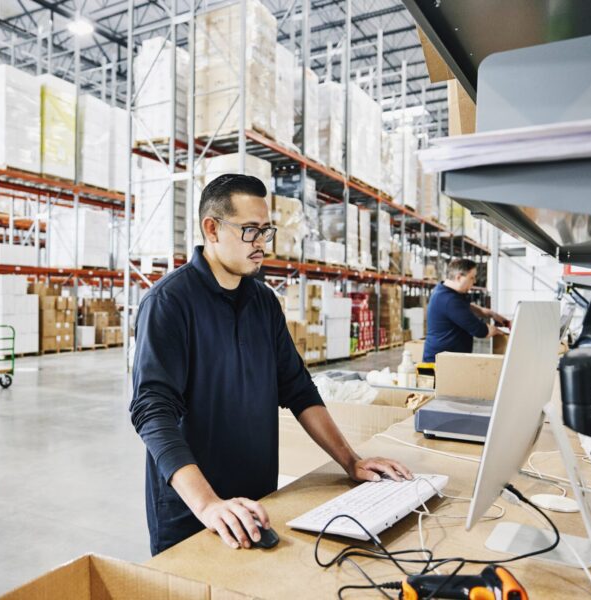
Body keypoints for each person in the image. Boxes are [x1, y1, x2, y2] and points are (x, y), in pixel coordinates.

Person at [129, 174, 413, 556]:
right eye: (249, 231)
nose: (262, 243)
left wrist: (352, 462)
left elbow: (298, 388)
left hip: (260, 503)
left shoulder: (263, 303)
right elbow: (152, 412)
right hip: (193, 513)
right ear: (211, 229)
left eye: (266, 230)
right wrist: (208, 504)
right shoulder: (169, 303)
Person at [422, 258, 510, 363]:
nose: (475, 281)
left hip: (448, 360)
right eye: (471, 278)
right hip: (440, 363)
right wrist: (501, 332)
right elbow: (481, 331)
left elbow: (464, 306)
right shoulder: (449, 300)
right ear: (459, 277)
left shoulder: (444, 290)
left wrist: (489, 313)